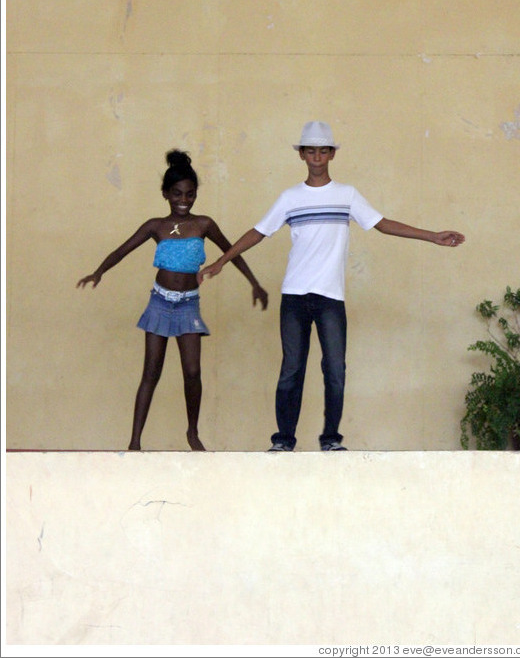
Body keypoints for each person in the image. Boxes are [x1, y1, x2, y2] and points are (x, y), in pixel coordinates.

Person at [198, 121, 465, 452]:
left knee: (335, 369)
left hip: (330, 298)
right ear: (302, 155)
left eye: (323, 150)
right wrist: (222, 261)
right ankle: (283, 441)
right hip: (295, 296)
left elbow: (382, 224)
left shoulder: (347, 195)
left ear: (332, 154)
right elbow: (259, 231)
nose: (317, 157)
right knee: (291, 370)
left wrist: (432, 236)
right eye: (311, 151)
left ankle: (331, 440)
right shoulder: (290, 198)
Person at [77, 149, 268, 452]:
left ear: (195, 195)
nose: (184, 200)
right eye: (177, 194)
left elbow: (231, 253)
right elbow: (123, 249)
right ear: (165, 194)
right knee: (151, 372)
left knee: (192, 371)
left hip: (188, 304)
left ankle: (192, 432)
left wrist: (254, 283)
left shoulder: (204, 224)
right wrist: (99, 271)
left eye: (190, 195)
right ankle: (135, 441)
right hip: (159, 303)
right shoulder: (156, 226)